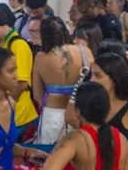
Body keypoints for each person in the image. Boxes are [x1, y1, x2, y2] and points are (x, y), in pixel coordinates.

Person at [0, 4, 40, 135]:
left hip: (19, 117)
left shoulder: (18, 45)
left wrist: (2, 105)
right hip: (5, 113)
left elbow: (22, 84)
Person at [32, 16, 93, 148]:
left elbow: (37, 94)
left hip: (52, 115)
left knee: (50, 155)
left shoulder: (41, 58)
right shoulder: (84, 52)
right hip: (80, 114)